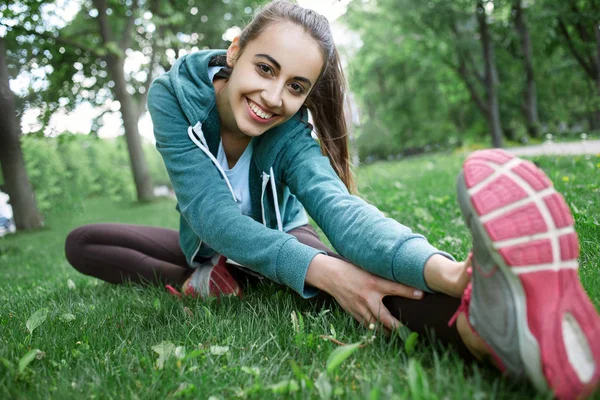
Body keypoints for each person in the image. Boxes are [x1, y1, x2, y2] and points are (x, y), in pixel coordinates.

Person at [64, 1, 600, 398]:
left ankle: (478, 328)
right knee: (84, 242)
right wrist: (316, 268)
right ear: (235, 53)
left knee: (343, 281)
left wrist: (438, 271)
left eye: (297, 87)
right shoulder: (173, 96)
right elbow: (211, 215)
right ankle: (205, 277)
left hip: (281, 233)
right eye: (265, 69)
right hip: (208, 239)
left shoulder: (289, 131)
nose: (275, 99)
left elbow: (341, 212)